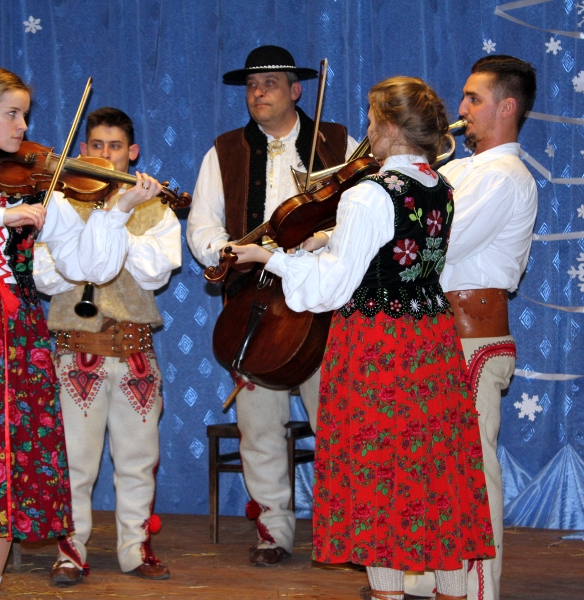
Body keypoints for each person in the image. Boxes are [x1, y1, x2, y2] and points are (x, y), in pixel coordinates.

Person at [0, 67, 162, 600]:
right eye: (12, 114)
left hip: (17, 335)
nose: (23, 126)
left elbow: (89, 265)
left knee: (7, 463)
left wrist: (116, 211)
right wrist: (1, 214)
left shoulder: (39, 186)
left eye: (24, 114)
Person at [228, 76, 495, 600]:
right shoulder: (439, 187)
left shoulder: (369, 193)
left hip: (378, 348)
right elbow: (397, 242)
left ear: (391, 127)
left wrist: (268, 256)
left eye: (372, 120)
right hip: (430, 342)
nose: (368, 130)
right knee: (433, 471)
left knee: (379, 472)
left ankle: (388, 592)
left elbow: (331, 287)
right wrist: (329, 238)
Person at [186, 44, 358, 566]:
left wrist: (322, 239)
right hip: (254, 312)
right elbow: (202, 226)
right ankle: (273, 532)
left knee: (338, 423)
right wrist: (227, 251)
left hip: (323, 308)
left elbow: (363, 218)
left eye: (270, 83)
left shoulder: (337, 143)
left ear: (296, 90)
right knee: (260, 428)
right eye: (252, 85)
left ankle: (345, 533)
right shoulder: (224, 151)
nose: (258, 92)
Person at [405, 55, 538, 600]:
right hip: (439, 335)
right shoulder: (460, 170)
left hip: (473, 339)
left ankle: (479, 589)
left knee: (472, 471)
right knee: (433, 468)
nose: (460, 109)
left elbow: (437, 246)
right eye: (463, 97)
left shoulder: (505, 176)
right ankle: (434, 578)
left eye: (474, 99)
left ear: (507, 107)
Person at [37, 107, 181, 585]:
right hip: (76, 348)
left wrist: (116, 219)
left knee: (138, 461)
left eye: (115, 147)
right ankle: (69, 551)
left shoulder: (156, 209)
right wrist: (100, 229)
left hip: (135, 349)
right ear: (82, 151)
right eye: (96, 146)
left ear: (132, 153)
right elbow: (45, 275)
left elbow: (154, 273)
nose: (105, 155)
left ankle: (135, 549)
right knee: (74, 462)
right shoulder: (58, 204)